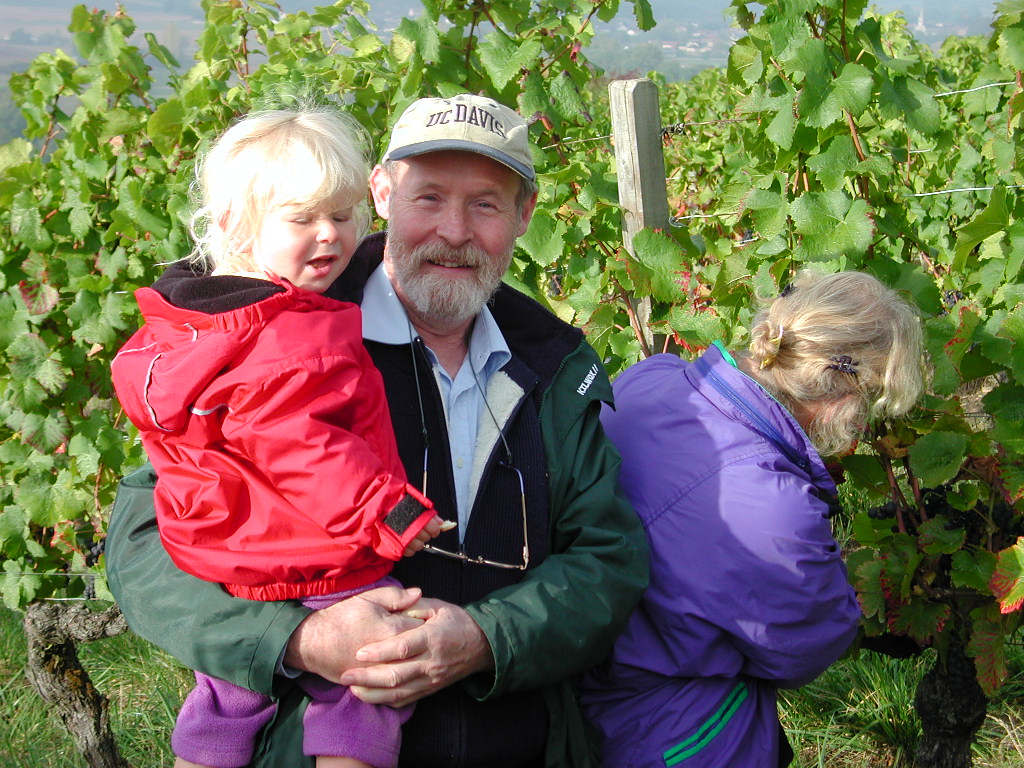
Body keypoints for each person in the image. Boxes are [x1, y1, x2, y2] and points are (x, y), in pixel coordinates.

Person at [105, 92, 649, 768]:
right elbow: (144, 542)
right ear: (383, 192)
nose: (454, 230)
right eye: (428, 198)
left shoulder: (553, 367)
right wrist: (300, 640)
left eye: (485, 203)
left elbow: (607, 563)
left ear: (523, 217)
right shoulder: (275, 341)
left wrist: (486, 639)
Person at [110, 106, 450, 768]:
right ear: (236, 225)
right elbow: (308, 452)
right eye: (302, 220)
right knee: (367, 683)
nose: (330, 236)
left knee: (225, 701)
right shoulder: (291, 334)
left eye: (344, 215)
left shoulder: (192, 325)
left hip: (228, 555)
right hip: (312, 554)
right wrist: (392, 512)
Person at [579, 270, 926, 768]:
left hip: (581, 701)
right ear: (844, 400)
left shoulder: (650, 377)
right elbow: (803, 651)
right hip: (679, 736)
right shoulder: (776, 508)